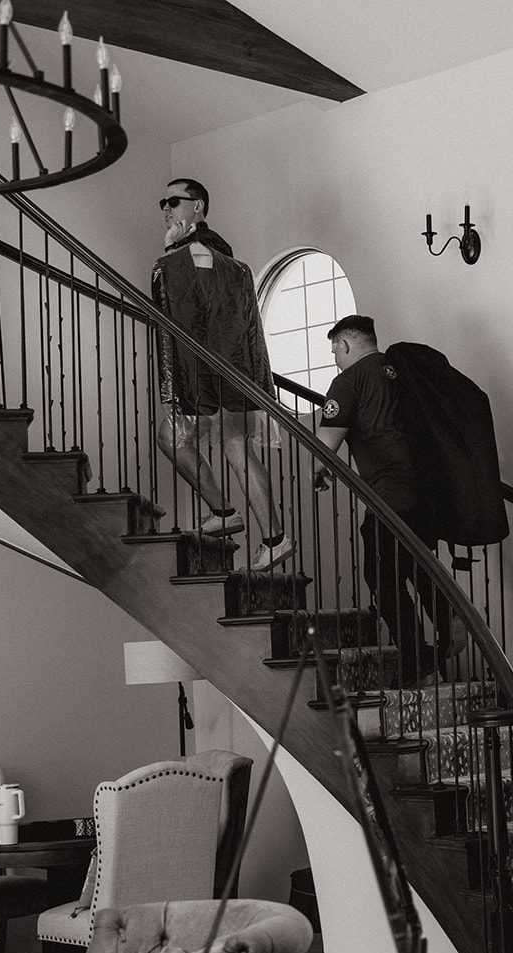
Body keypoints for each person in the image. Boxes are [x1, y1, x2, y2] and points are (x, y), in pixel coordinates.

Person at [152, 178, 292, 570]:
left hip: (217, 372)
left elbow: (182, 301)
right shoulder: (224, 258)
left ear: (197, 207)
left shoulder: (197, 253)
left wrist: (170, 251)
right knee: (226, 446)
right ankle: (243, 521)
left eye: (174, 201)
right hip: (229, 371)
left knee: (195, 440)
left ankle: (262, 531)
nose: (166, 208)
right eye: (163, 202)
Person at [313, 314, 452, 686]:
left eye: (334, 351)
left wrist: (318, 470)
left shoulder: (348, 381)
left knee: (383, 577)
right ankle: (448, 627)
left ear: (344, 345)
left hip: (390, 495)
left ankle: (418, 663)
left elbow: (325, 443)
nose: (335, 358)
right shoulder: (402, 368)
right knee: (419, 566)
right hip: (427, 492)